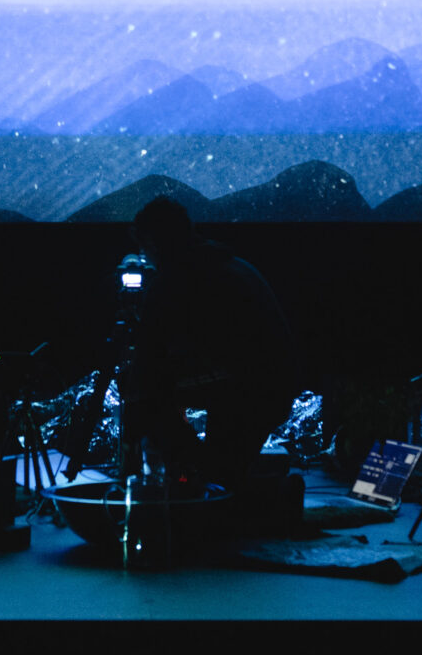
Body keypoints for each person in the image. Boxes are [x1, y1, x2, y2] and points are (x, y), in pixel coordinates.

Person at [117, 197, 300, 510]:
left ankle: (190, 489)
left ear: (154, 242)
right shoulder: (228, 265)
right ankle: (264, 494)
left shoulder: (177, 277)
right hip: (268, 386)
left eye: (146, 248)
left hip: (248, 390)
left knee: (149, 404)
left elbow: (148, 363)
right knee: (227, 473)